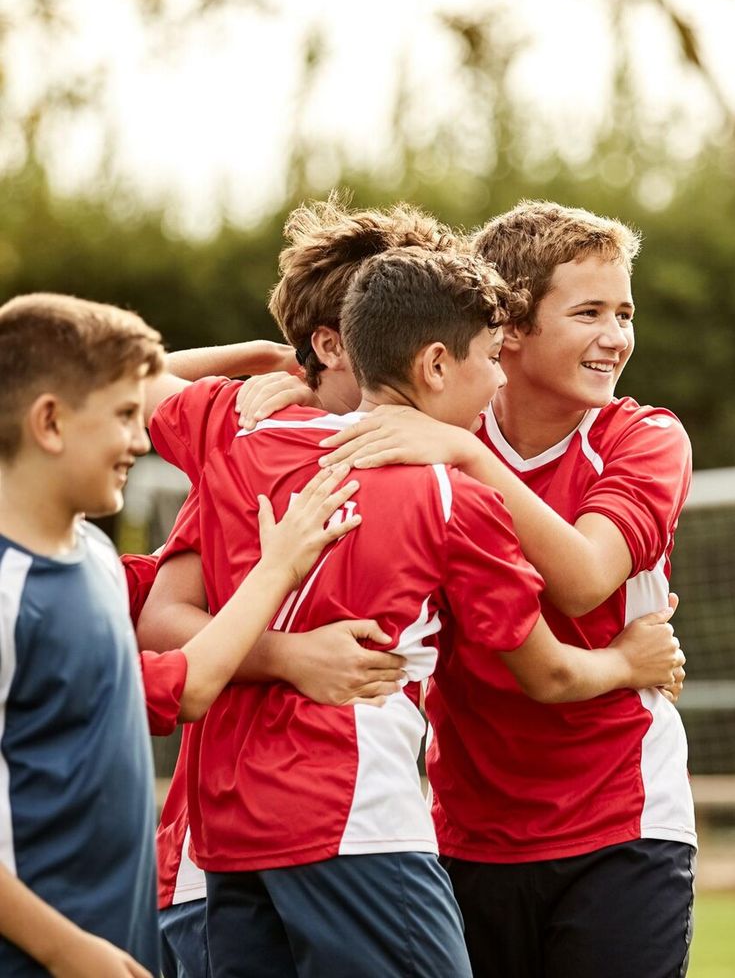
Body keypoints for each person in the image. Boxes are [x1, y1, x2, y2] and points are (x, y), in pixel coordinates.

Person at [141, 246, 682, 978]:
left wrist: (259, 361)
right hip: (359, 822)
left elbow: (117, 379)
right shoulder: (454, 494)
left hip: (228, 839)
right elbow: (548, 673)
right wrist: (625, 662)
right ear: (434, 364)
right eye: (490, 356)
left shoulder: (237, 434)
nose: (495, 377)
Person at [316, 201, 696, 977]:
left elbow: (588, 578)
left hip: (624, 822)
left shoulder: (646, 438)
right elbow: (340, 391)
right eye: (589, 312)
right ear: (510, 329)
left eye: (624, 312)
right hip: (465, 833)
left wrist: (465, 457)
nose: (616, 336)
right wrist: (278, 388)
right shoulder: (435, 432)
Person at [0, 294, 364, 977]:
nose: (143, 439)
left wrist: (260, 358)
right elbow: (189, 685)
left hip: (113, 949)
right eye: (123, 419)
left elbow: (90, 373)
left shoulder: (94, 561)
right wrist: (280, 567)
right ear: (48, 422)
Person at [137, 197, 453, 978]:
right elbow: (164, 618)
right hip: (216, 853)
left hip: (310, 830)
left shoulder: (437, 459)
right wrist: (288, 655)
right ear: (331, 346)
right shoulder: (242, 448)